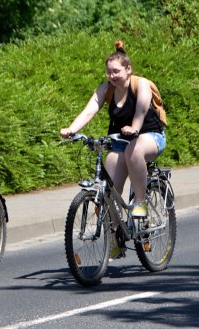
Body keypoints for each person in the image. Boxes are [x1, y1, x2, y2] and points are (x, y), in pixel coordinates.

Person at [60, 41, 167, 257]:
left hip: (149, 136)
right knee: (107, 192)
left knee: (134, 151)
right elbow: (89, 111)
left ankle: (140, 202)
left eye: (116, 71)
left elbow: (142, 108)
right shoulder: (106, 89)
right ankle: (116, 236)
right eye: (109, 72)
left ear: (128, 70)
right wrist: (72, 129)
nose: (112, 75)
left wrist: (135, 128)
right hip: (120, 140)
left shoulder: (141, 84)